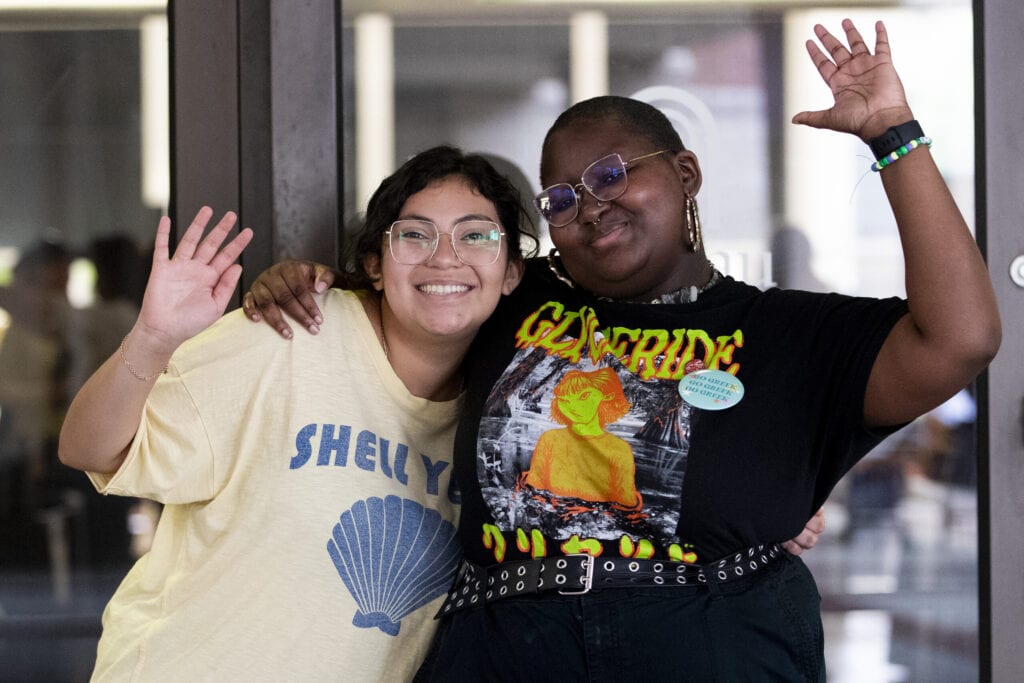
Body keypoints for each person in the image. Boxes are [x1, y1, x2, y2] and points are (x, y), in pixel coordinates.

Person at [245, 19, 999, 680]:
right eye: (562, 199)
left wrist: (893, 134)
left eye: (610, 174)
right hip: (508, 646)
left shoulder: (785, 334)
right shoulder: (517, 294)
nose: (590, 206)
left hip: (714, 646)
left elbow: (963, 337)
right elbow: (415, 283)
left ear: (685, 174)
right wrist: (306, 280)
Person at [56, 146, 533, 681]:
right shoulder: (292, 333)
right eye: (414, 234)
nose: (445, 257)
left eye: (476, 236)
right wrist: (153, 339)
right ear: (375, 264)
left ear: (512, 271)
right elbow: (88, 448)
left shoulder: (510, 412)